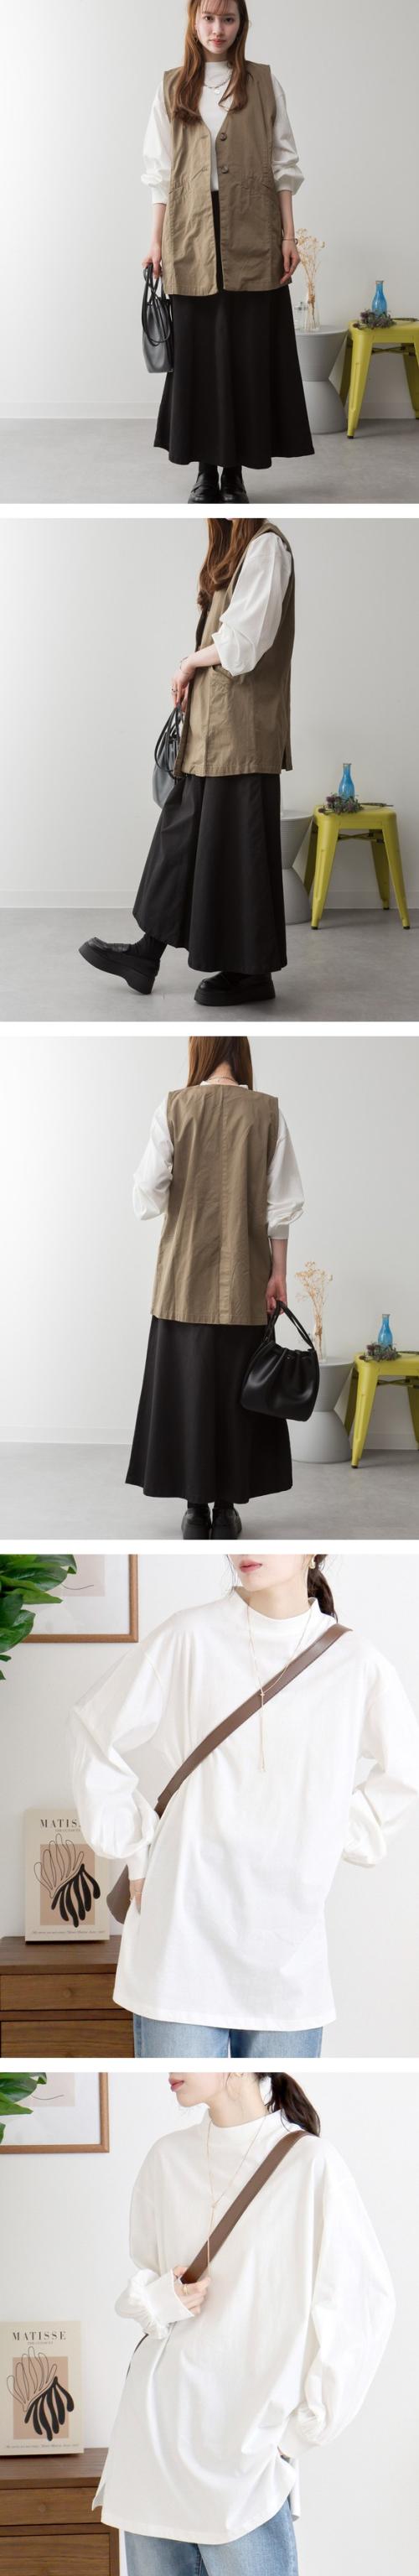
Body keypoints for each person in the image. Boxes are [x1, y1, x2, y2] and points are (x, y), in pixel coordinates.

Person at [70, 1550, 419, 2059]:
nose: (246, 1549)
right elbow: (93, 1729)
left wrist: (334, 1831)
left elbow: (405, 1772)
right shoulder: (189, 1636)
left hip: (287, 1951)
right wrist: (132, 1846)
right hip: (179, 1938)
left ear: (313, 1546)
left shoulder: (356, 1663)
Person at [93, 2066, 395, 2569]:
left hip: (245, 2462)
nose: (170, 2069)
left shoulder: (310, 2164)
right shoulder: (167, 2158)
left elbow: (362, 2305)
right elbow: (148, 2275)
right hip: (151, 2445)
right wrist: (161, 2301)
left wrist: (298, 2435)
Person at [80, 518, 294, 1010]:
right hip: (214, 729)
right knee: (182, 835)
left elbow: (244, 644)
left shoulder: (266, 549)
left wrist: (188, 663)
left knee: (238, 848)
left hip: (242, 733)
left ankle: (252, 974)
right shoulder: (237, 550)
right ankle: (146, 955)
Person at [124, 1035, 303, 1535]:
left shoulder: (174, 1107)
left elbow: (148, 1193)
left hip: (183, 1278)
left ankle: (193, 1509)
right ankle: (226, 1509)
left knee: (187, 1392)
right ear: (241, 1054)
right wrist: (278, 1273)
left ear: (198, 1052)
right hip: (247, 1278)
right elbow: (281, 1204)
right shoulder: (267, 1111)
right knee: (238, 1393)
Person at [142, 1, 313, 501]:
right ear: (194, 21)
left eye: (228, 18)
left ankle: (235, 472)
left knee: (246, 352)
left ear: (242, 24)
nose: (218, 29)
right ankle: (205, 471)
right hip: (189, 231)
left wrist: (288, 236)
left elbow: (284, 164)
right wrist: (155, 240)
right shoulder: (173, 85)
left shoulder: (263, 82)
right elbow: (159, 172)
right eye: (209, 18)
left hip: (253, 228)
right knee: (197, 355)